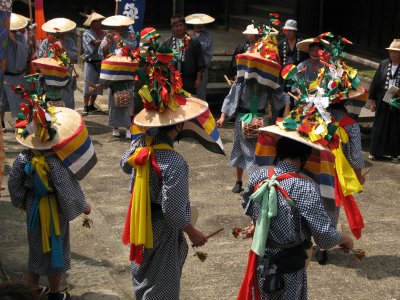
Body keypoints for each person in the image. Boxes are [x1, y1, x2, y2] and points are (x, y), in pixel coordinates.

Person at [238, 132, 354, 300]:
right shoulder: (304, 187)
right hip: (289, 264)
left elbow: (249, 206)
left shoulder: (258, 177)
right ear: (305, 157)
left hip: (261, 259)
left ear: (278, 153)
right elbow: (324, 236)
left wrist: (258, 223)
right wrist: (345, 239)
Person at [8, 102, 95, 300]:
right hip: (55, 209)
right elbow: (67, 190)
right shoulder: (57, 161)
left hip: (33, 206)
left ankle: (32, 290)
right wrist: (84, 207)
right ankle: (55, 294)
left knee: (36, 248)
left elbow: (13, 182)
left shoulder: (23, 157)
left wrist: (20, 201)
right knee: (57, 246)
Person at [217, 80, 290, 193]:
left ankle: (256, 182)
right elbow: (230, 99)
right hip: (242, 119)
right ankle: (239, 181)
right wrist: (222, 117)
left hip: (260, 120)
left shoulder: (267, 83)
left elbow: (283, 95)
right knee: (239, 150)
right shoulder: (240, 83)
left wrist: (287, 109)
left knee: (259, 152)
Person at [98, 15, 137, 139]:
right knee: (113, 99)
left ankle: (128, 128)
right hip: (113, 70)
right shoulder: (109, 35)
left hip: (126, 70)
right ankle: (115, 126)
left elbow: (134, 46)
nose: (119, 27)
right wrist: (108, 42)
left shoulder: (130, 34)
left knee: (127, 98)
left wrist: (121, 39)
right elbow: (101, 51)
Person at [369, 38, 400, 163]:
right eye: (391, 51)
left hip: (397, 100)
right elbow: (375, 82)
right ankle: (376, 152)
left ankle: (395, 154)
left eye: (396, 52)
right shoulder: (383, 64)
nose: (393, 54)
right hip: (382, 98)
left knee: (395, 126)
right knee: (379, 125)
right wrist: (372, 100)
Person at [38, 18, 78, 109]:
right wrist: (47, 53)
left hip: (64, 75)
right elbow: (40, 58)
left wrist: (63, 46)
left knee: (66, 101)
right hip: (49, 76)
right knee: (50, 102)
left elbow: (73, 57)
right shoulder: (46, 42)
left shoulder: (69, 41)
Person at [0, 13, 29, 131]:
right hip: (5, 76)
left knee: (19, 102)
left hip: (18, 76)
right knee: (2, 102)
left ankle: (21, 126)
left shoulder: (20, 36)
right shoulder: (2, 36)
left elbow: (25, 49)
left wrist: (15, 41)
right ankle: (1, 123)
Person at [163, 15, 206, 95]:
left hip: (189, 80)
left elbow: (200, 62)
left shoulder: (194, 42)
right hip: (172, 79)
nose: (179, 28)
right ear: (172, 28)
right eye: (176, 26)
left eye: (180, 25)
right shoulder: (167, 43)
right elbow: (162, 62)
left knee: (189, 103)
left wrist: (198, 79)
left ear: (185, 26)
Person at [278, 19, 308, 114]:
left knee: (295, 101)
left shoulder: (301, 44)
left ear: (295, 31)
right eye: (286, 30)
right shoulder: (281, 44)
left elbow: (305, 60)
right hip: (283, 77)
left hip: (298, 76)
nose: (288, 32)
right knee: (282, 100)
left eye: (290, 30)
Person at [186, 13, 215, 101]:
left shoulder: (207, 35)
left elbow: (205, 47)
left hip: (202, 66)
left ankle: (203, 113)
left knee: (201, 91)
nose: (199, 26)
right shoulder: (188, 34)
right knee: (188, 92)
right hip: (190, 67)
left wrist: (194, 38)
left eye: (201, 24)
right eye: (197, 24)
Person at [81, 11, 105, 116]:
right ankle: (85, 106)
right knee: (88, 84)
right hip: (90, 62)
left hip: (100, 61)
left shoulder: (103, 33)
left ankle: (92, 105)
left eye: (99, 21)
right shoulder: (87, 33)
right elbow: (94, 43)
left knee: (97, 84)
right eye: (96, 22)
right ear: (92, 23)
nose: (99, 23)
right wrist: (106, 39)